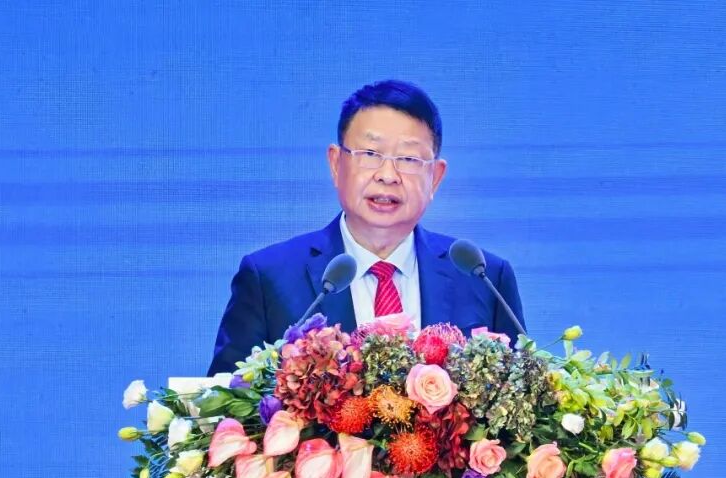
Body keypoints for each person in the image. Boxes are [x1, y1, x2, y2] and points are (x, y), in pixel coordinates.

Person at [208, 80, 524, 376]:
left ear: (435, 178)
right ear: (336, 163)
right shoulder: (268, 278)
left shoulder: (485, 279)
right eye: (371, 154)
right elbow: (226, 406)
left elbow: (522, 400)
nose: (388, 175)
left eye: (409, 159)